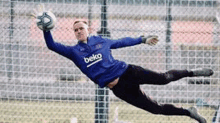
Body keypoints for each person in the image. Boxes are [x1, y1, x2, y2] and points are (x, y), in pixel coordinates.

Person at [34, 6, 212, 123]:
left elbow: (121, 42)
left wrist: (142, 39)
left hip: (129, 72)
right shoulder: (73, 52)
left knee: (164, 78)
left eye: (81, 28)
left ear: (88, 29)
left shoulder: (101, 41)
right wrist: (46, 29)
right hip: (119, 89)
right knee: (155, 109)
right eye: (76, 30)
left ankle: (192, 72)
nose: (79, 31)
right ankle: (190, 113)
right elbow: (51, 45)